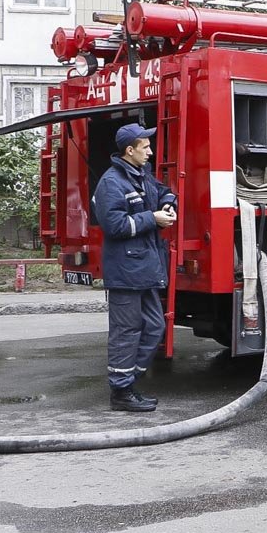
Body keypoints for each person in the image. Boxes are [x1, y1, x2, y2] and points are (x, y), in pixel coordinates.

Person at [92, 123, 177, 412]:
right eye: (146, 147)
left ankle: (130, 380)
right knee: (126, 331)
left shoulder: (141, 177)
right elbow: (114, 225)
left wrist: (167, 204)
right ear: (130, 150)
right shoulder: (111, 183)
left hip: (144, 271)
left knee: (155, 326)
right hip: (125, 273)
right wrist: (153, 219)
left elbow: (162, 190)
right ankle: (121, 392)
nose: (151, 152)